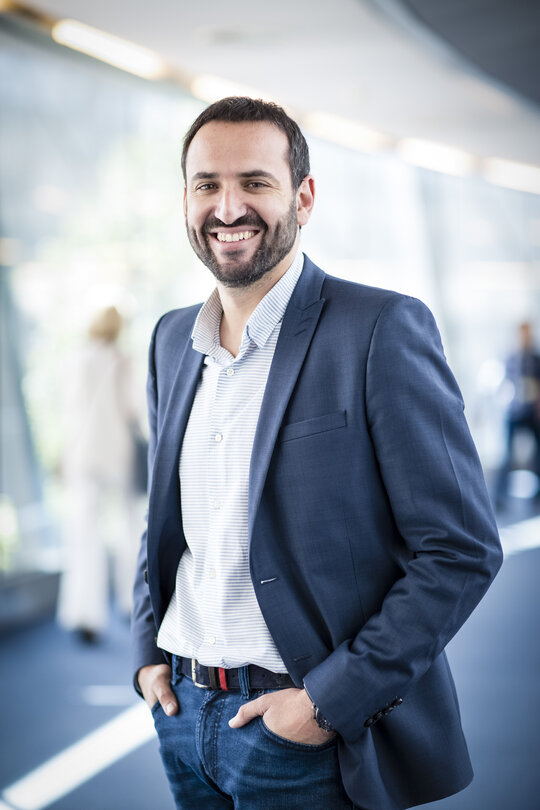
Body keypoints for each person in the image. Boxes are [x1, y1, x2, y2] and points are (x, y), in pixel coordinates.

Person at [132, 97, 503, 810]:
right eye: (207, 184)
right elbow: (166, 521)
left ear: (303, 197)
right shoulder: (170, 340)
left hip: (300, 731)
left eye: (256, 182)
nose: (228, 206)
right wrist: (147, 655)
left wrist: (328, 704)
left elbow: (460, 550)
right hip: (181, 716)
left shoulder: (380, 330)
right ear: (185, 199)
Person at [58, 305, 143, 642]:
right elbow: (135, 408)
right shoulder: (121, 359)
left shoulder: (77, 358)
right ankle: (130, 602)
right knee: (128, 529)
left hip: (82, 455)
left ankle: (84, 613)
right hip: (116, 455)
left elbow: (70, 409)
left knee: (83, 536)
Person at [495, 321, 540, 505]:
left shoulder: (536, 359)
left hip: (531, 413)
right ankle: (499, 496)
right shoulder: (510, 358)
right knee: (506, 454)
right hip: (514, 412)